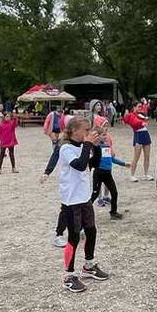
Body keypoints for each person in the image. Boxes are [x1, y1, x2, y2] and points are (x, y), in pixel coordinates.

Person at [42, 115, 109, 292]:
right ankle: (69, 275)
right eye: (86, 130)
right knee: (73, 236)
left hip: (84, 198)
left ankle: (89, 265)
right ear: (74, 131)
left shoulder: (83, 146)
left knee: (91, 231)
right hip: (71, 200)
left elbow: (93, 164)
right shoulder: (66, 148)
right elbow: (79, 165)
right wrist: (88, 144)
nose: (88, 133)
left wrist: (97, 146)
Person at [89, 121, 126, 219]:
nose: (105, 137)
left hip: (107, 173)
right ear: (97, 136)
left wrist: (123, 164)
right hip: (98, 173)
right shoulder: (95, 147)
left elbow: (111, 159)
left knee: (114, 192)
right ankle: (85, 212)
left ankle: (113, 212)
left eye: (105, 135)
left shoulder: (106, 146)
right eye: (103, 135)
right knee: (95, 194)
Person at [123, 102, 153, 181]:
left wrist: (143, 120)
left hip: (145, 134)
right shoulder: (131, 115)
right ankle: (132, 175)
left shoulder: (141, 115)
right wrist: (142, 122)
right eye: (138, 107)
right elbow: (134, 122)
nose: (140, 108)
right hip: (138, 134)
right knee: (136, 156)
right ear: (134, 107)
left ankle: (146, 174)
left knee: (147, 156)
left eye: (141, 107)